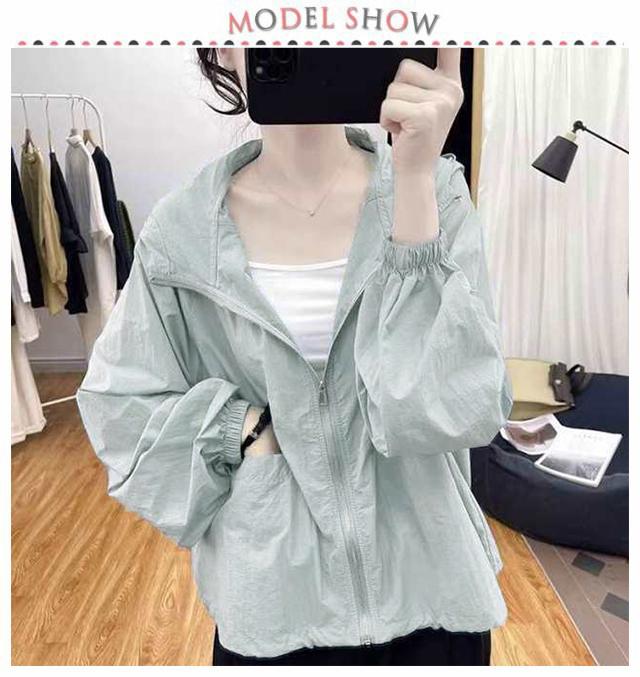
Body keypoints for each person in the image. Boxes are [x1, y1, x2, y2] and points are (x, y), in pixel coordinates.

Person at [76, 47, 513, 666]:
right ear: (220, 44)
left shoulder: (436, 191)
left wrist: (413, 183)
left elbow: (451, 410)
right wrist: (244, 429)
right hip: (275, 607)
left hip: (433, 594)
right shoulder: (182, 233)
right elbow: (120, 408)